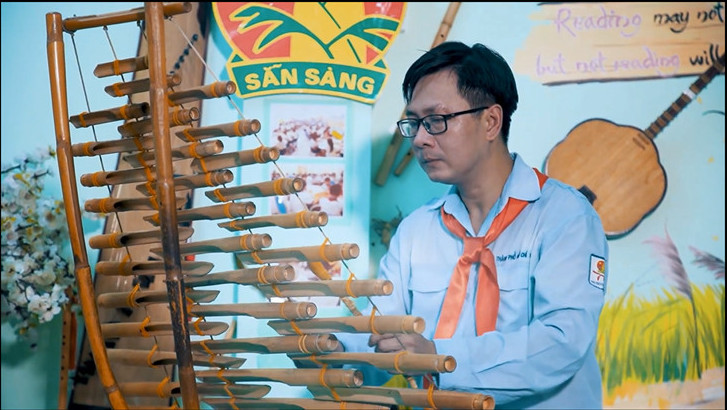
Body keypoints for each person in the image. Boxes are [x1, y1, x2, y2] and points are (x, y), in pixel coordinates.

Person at [334, 41, 608, 409]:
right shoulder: (415, 230)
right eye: (414, 123)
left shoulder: (566, 216)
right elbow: (382, 330)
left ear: (491, 121)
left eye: (436, 120)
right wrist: (335, 352)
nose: (420, 139)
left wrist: (439, 357)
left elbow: (561, 344)